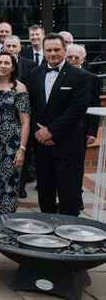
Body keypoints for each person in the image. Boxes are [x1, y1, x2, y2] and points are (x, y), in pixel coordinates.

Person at [29, 33, 90, 216]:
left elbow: (76, 110)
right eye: (49, 50)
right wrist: (38, 132)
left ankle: (69, 237)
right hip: (42, 146)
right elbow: (28, 107)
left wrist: (52, 132)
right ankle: (47, 236)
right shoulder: (34, 74)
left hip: (68, 145)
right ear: (44, 51)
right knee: (45, 195)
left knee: (69, 197)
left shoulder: (80, 76)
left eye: (57, 49)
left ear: (64, 49)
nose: (53, 53)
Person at [0, 52, 30, 214]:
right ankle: (0, 224)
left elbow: (25, 122)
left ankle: (8, 228)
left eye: (7, 63)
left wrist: (21, 149)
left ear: (13, 67)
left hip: (11, 146)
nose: (2, 66)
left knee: (9, 186)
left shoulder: (19, 87)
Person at [66, 43, 101, 210]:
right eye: (70, 57)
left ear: (83, 59)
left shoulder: (92, 78)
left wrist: (92, 131)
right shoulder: (61, 75)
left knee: (77, 166)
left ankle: (76, 198)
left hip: (81, 130)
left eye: (76, 57)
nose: (73, 60)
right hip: (60, 130)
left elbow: (95, 106)